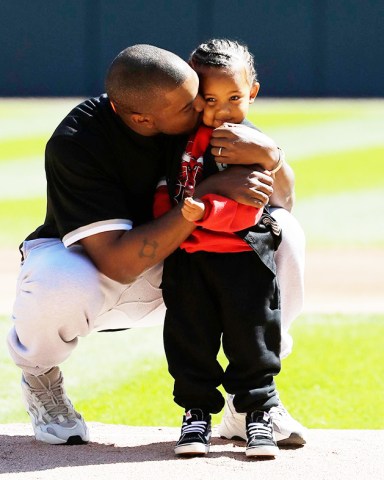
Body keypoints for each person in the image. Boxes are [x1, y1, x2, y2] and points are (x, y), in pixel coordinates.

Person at [6, 44, 304, 446]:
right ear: (142, 118)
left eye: (197, 94)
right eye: (187, 105)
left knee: (282, 231)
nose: (200, 106)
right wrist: (209, 189)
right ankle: (40, 374)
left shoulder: (200, 114)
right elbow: (118, 263)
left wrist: (273, 156)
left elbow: (280, 200)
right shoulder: (78, 141)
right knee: (57, 280)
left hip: (184, 267)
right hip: (100, 270)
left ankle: (250, 402)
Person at [154, 38, 288, 457]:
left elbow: (249, 209)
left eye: (233, 97)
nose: (221, 109)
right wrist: (172, 213)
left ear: (252, 92)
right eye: (208, 99)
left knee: (253, 339)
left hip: (243, 256)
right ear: (195, 99)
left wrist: (199, 210)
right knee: (189, 336)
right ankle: (196, 414)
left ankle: (257, 416)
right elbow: (164, 192)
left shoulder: (250, 144)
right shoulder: (179, 141)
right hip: (188, 258)